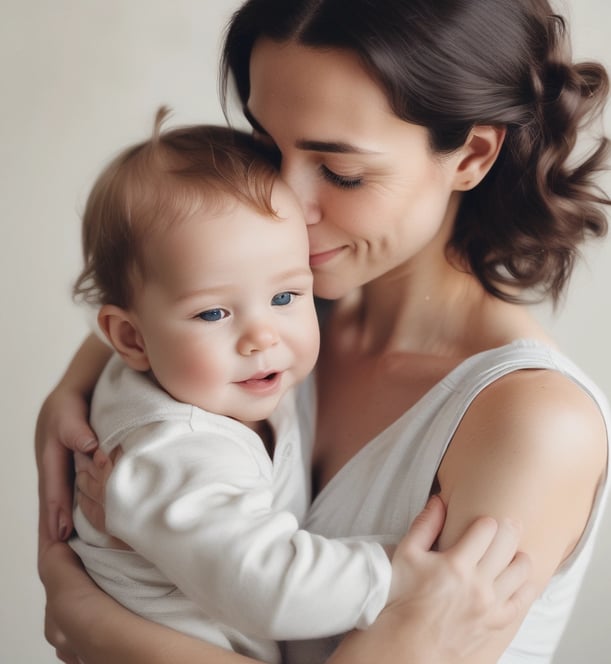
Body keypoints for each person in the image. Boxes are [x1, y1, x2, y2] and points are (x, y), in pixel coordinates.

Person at [36, 0, 611, 662]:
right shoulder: (273, 322)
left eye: (340, 172)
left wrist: (94, 625)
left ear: (472, 155)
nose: (282, 202)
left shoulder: (533, 423)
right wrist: (68, 392)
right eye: (264, 147)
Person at [68, 107, 435, 662]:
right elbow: (267, 587)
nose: (262, 337)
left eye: (286, 297)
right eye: (214, 314)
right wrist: (395, 573)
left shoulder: (204, 374)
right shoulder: (173, 451)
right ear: (131, 339)